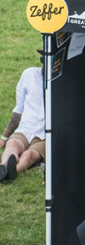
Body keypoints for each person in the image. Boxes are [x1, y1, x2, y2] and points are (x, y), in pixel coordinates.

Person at [0, 52, 46, 181]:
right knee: (12, 145)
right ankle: (4, 167)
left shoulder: (62, 82)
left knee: (28, 155)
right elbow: (18, 110)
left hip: (46, 135)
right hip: (25, 129)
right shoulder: (28, 75)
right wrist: (4, 137)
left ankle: (10, 172)